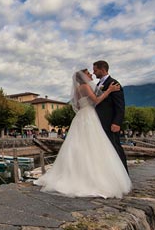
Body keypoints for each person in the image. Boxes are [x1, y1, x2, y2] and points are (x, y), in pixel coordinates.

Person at [34, 68, 131, 198]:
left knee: (81, 146)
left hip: (82, 116)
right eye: (88, 73)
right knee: (93, 145)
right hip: (89, 116)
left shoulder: (78, 89)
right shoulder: (85, 86)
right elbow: (96, 101)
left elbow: (79, 106)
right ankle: (92, 177)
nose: (91, 74)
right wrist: (109, 90)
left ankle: (79, 173)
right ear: (83, 77)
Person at [93, 60, 128, 173]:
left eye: (95, 70)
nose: (94, 73)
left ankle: (123, 173)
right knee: (106, 149)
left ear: (102, 70)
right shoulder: (99, 84)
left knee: (115, 147)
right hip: (100, 123)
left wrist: (117, 122)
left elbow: (120, 106)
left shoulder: (114, 83)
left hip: (110, 123)